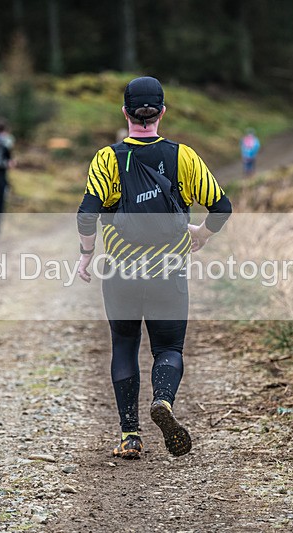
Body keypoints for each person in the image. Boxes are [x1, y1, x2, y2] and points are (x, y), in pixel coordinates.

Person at [76, 76, 232, 459]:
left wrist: (86, 253)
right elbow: (222, 208)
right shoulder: (184, 157)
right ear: (162, 112)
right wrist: (202, 235)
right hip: (169, 271)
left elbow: (86, 214)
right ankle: (163, 400)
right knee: (168, 347)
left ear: (125, 112)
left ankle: (131, 434)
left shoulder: (107, 158)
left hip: (120, 273)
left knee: (124, 345)